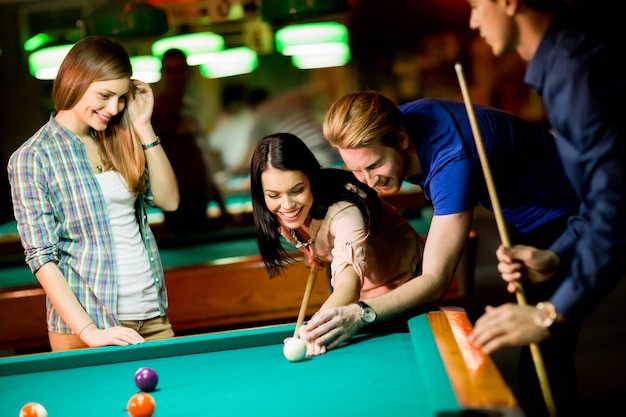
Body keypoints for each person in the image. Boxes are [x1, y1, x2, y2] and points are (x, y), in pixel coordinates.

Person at [301, 90, 581, 406]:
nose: (367, 181)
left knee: (545, 341)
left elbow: (436, 280)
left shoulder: (451, 159)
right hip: (521, 209)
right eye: (355, 169)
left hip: (569, 212)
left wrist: (361, 313)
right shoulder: (386, 122)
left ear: (402, 139)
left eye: (375, 165)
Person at [466, 1, 626, 415]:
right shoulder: (568, 61)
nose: (473, 20)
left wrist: (549, 314)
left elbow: (617, 206)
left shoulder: (577, 70)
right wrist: (557, 254)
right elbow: (603, 195)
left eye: (475, 5)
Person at [7, 36, 180, 352]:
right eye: (105, 95)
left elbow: (169, 201)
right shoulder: (33, 157)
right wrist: (89, 331)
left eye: (121, 98)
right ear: (76, 81)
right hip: (89, 327)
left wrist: (143, 127)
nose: (113, 108)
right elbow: (42, 257)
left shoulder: (119, 138)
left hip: (152, 316)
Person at [250, 132, 425, 355]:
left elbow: (348, 285)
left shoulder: (344, 211)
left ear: (311, 180)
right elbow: (309, 234)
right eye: (274, 195)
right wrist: (313, 250)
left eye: (297, 190)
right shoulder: (275, 213)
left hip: (404, 287)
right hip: (362, 300)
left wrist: (312, 330)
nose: (287, 205)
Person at [152, 48, 231, 238]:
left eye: (179, 70)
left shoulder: (189, 109)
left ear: (188, 73)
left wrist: (221, 204)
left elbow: (201, 156)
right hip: (176, 199)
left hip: (199, 196)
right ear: (162, 75)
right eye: (169, 71)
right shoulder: (154, 113)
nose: (174, 77)